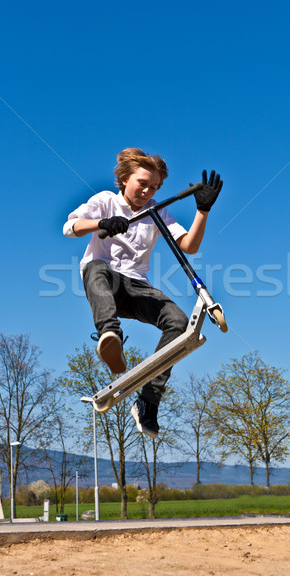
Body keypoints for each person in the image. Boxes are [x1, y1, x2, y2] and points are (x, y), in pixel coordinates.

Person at [63, 148, 222, 439]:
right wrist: (102, 223)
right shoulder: (105, 201)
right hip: (105, 283)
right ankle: (110, 335)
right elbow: (69, 227)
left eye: (155, 187)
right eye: (143, 183)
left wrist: (203, 211)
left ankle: (149, 400)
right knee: (96, 267)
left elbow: (188, 245)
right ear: (124, 179)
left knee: (178, 321)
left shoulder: (157, 211)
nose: (148, 191)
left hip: (136, 286)